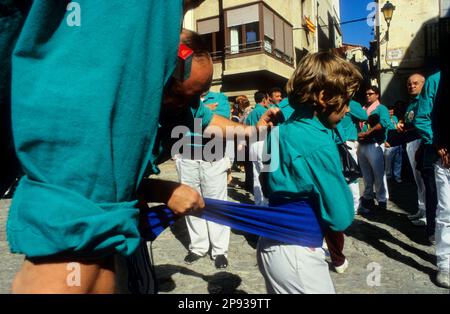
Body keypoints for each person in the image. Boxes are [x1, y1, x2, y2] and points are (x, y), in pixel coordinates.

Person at [7, 0, 210, 294]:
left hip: (120, 236)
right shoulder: (103, 93)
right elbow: (78, 218)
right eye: (185, 96)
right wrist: (163, 191)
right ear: (161, 79)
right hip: (95, 233)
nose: (191, 106)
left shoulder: (169, 109)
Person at [258, 51, 361, 294]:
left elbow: (265, 183)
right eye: (345, 101)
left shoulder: (277, 132)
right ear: (324, 97)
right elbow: (340, 217)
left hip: (271, 244)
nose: (347, 110)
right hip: (299, 250)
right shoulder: (319, 143)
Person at [176, 89, 232, 269]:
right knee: (190, 203)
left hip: (213, 159)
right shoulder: (183, 98)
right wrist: (204, 112)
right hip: (187, 157)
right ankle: (198, 247)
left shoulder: (220, 98)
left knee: (217, 204)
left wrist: (191, 113)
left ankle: (220, 250)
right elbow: (175, 123)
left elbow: (216, 127)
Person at [397, 73, 427, 225]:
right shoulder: (412, 102)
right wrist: (403, 124)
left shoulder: (424, 100)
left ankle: (428, 214)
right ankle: (421, 210)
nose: (412, 86)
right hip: (410, 141)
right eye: (409, 84)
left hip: (419, 141)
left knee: (424, 179)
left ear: (423, 83)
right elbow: (410, 119)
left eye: (416, 83)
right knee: (418, 180)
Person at [357, 86, 390, 213]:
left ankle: (382, 199)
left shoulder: (381, 108)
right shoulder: (362, 109)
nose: (368, 96)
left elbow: (384, 123)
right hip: (362, 144)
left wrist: (368, 132)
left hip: (375, 144)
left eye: (370, 94)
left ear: (377, 95)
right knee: (366, 175)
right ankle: (368, 196)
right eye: (366, 94)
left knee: (379, 174)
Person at [245, 91, 271, 206]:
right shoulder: (265, 111)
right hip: (263, 143)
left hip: (253, 145)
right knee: (265, 174)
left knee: (256, 174)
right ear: (264, 99)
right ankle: (265, 203)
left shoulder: (250, 113)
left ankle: (258, 202)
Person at [384, 104, 403, 183]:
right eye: (389, 112)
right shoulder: (384, 119)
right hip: (389, 143)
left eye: (392, 112)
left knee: (398, 161)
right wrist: (384, 142)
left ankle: (397, 176)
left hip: (397, 142)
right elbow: (383, 131)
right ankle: (388, 176)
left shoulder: (395, 118)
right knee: (388, 162)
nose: (391, 113)